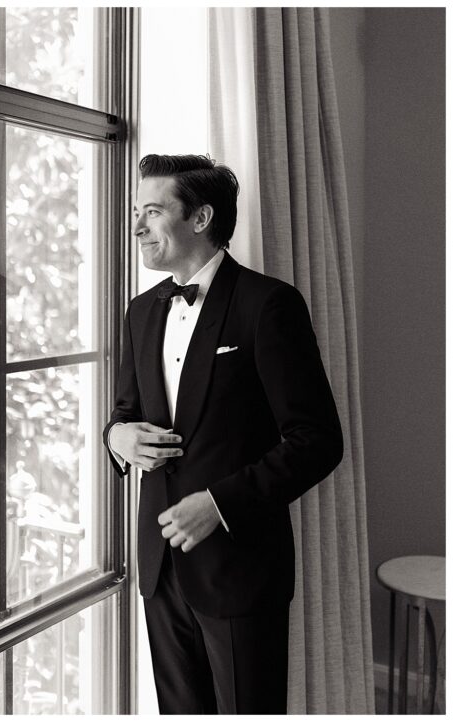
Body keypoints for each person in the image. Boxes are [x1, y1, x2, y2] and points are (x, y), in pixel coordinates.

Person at [104, 154, 343, 714]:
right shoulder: (141, 311)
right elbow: (123, 411)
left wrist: (219, 503)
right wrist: (118, 438)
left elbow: (317, 440)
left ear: (201, 217)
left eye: (153, 212)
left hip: (240, 568)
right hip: (160, 569)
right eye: (137, 212)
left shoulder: (269, 305)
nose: (137, 226)